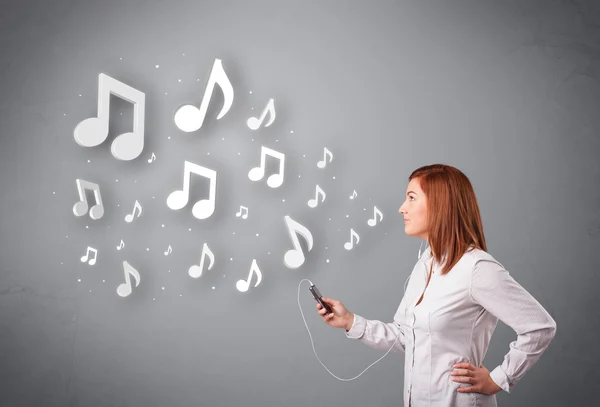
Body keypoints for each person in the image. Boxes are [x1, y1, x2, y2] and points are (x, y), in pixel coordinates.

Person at [315, 164, 557, 407]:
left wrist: (499, 379)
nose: (401, 208)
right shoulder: (425, 263)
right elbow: (406, 337)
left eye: (411, 198)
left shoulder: (477, 268)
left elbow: (539, 327)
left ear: (441, 205)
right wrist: (350, 321)